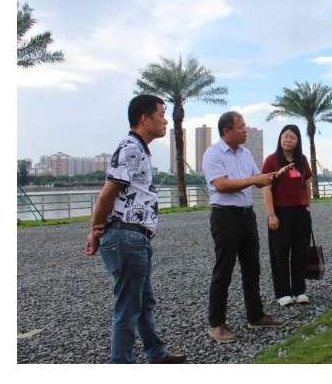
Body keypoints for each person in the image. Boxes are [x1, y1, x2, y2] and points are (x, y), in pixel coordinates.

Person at [84, 94, 186, 364]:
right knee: (128, 309)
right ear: (145, 118)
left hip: (135, 238)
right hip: (127, 238)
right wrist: (95, 232)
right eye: (161, 114)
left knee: (143, 302)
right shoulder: (131, 147)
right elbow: (106, 195)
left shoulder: (139, 149)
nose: (166, 121)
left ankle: (156, 353)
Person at [202, 111, 291, 343]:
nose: (245, 130)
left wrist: (276, 176)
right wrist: (255, 180)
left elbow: (259, 179)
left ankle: (255, 316)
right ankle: (216, 324)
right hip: (224, 216)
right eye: (241, 127)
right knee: (224, 270)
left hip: (246, 216)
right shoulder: (213, 153)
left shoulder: (246, 153)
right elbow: (221, 185)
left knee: (252, 268)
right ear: (226, 131)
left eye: (245, 126)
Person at [262, 125, 313, 307]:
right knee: (280, 253)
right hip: (280, 212)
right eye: (285, 136)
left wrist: (307, 207)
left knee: (301, 252)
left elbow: (307, 186)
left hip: (300, 212)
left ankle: (299, 290)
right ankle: (282, 292)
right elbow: (266, 189)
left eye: (292, 137)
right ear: (280, 138)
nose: (288, 140)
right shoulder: (271, 160)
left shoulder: (302, 160)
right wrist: (271, 214)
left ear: (298, 141)